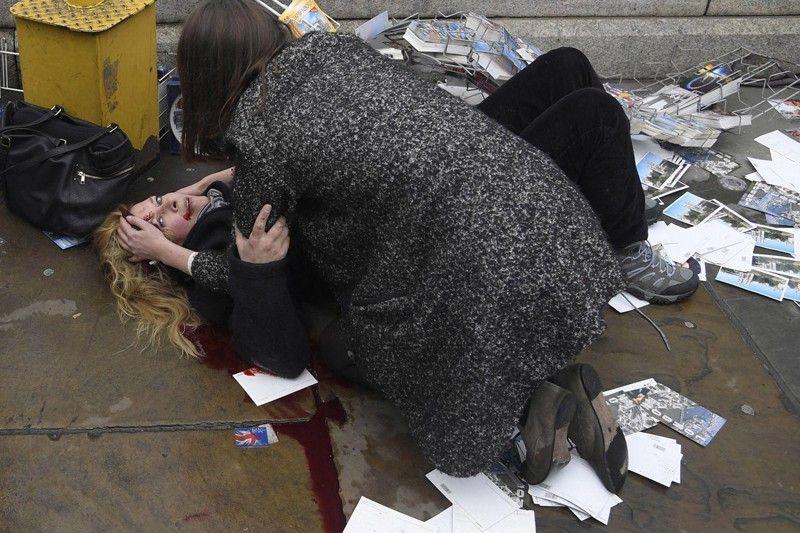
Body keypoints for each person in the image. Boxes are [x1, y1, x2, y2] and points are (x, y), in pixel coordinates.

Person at [113, 0, 704, 492]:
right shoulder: (330, 52)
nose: (167, 204)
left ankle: (527, 408)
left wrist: (206, 202)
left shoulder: (261, 162)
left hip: (469, 243)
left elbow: (293, 184)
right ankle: (545, 387)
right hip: (554, 217)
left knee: (390, 353)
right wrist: (181, 249)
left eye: (157, 202)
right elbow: (268, 283)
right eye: (155, 218)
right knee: (575, 92)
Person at [95, 171, 312, 378]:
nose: (171, 203)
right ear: (157, 251)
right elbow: (281, 352)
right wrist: (166, 253)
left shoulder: (214, 197)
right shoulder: (211, 267)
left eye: (159, 198)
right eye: (161, 222)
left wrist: (203, 185)